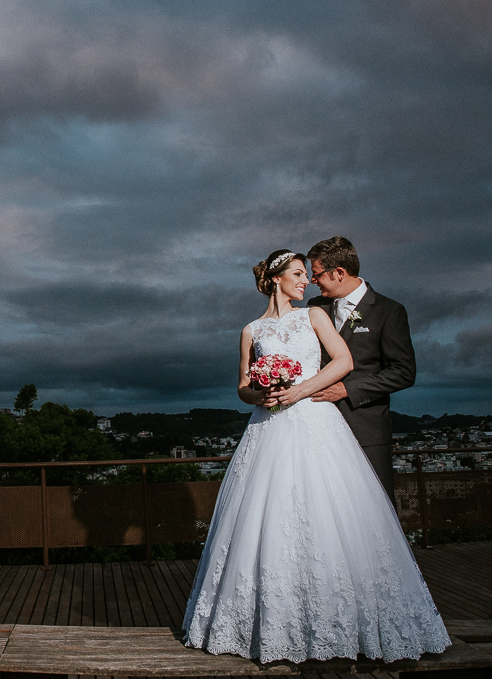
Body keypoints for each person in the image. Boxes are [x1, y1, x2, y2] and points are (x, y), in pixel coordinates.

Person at [181, 249, 449, 663]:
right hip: (268, 427)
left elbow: (344, 361)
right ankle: (272, 624)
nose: (305, 281)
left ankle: (343, 623)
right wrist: (262, 393)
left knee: (328, 513)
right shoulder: (251, 330)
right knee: (271, 519)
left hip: (316, 423)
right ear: (274, 280)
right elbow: (242, 387)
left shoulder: (315, 315)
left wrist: (301, 390)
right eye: (297, 274)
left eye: (307, 274)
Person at [306, 236, 415, 500]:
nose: (312, 280)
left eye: (317, 273)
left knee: (374, 505)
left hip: (365, 429)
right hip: (317, 427)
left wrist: (347, 389)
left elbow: (403, 371)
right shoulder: (314, 308)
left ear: (339, 273)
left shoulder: (389, 311)